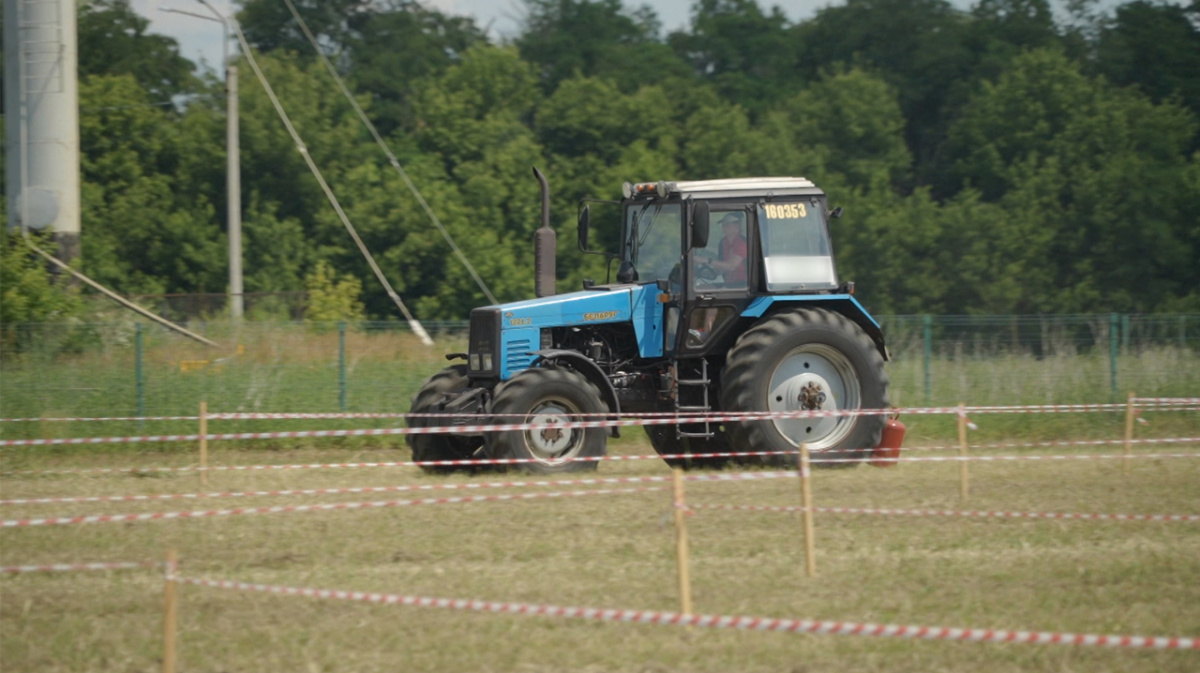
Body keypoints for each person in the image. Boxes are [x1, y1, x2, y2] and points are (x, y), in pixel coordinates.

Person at [708, 212, 747, 287]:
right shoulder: (723, 242)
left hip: (743, 286)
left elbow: (731, 266)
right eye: (723, 224)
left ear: (737, 226)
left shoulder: (742, 243)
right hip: (728, 283)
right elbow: (722, 266)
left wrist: (708, 261)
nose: (723, 227)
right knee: (702, 288)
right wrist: (708, 271)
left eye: (727, 225)